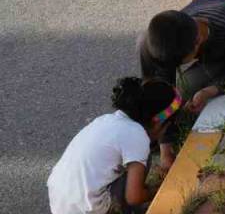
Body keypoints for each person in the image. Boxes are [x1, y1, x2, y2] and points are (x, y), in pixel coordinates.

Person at [139, 0, 225, 171]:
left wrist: (209, 91)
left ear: (198, 43)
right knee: (172, 98)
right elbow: (162, 93)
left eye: (180, 63)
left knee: (185, 88)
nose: (176, 68)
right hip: (207, 2)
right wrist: (165, 149)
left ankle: (164, 129)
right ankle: (156, 135)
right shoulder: (155, 40)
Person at [46, 77, 180, 214]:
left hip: (59, 203)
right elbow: (134, 197)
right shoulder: (138, 136)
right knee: (143, 160)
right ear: (157, 122)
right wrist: (160, 191)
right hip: (90, 210)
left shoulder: (106, 120)